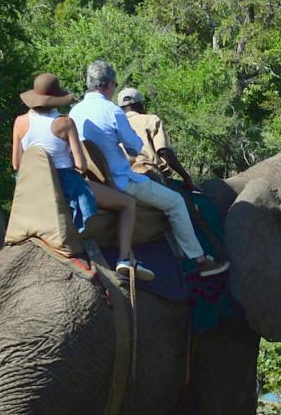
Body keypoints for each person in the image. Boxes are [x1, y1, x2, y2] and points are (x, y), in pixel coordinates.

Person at [71, 60, 229, 277]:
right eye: (115, 84)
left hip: (95, 182)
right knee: (176, 202)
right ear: (108, 84)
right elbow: (134, 147)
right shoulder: (112, 111)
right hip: (121, 182)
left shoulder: (74, 112)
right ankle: (200, 260)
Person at [13, 72, 153, 282]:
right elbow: (80, 164)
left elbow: (16, 164)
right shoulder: (64, 123)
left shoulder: (20, 122)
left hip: (32, 188)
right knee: (127, 204)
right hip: (64, 184)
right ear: (56, 98)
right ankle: (124, 258)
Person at [116, 87, 198, 191]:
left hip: (122, 177)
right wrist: (186, 177)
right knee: (177, 203)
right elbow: (163, 151)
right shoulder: (151, 119)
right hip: (149, 173)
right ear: (140, 105)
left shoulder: (115, 125)